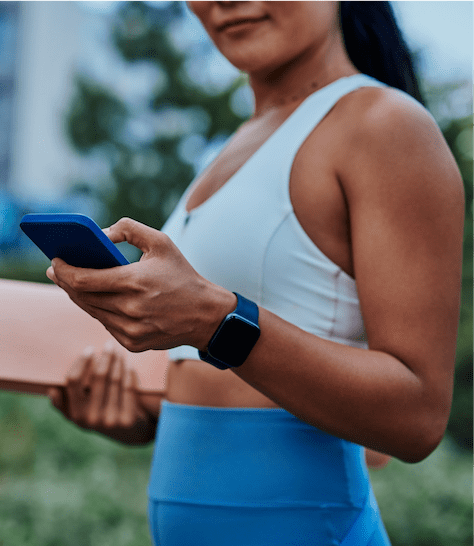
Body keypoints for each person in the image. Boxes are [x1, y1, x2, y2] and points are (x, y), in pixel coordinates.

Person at [46, 2, 464, 545]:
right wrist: (140, 417)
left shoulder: (384, 125)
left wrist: (217, 321)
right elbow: (234, 384)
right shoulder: (237, 143)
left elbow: (416, 417)